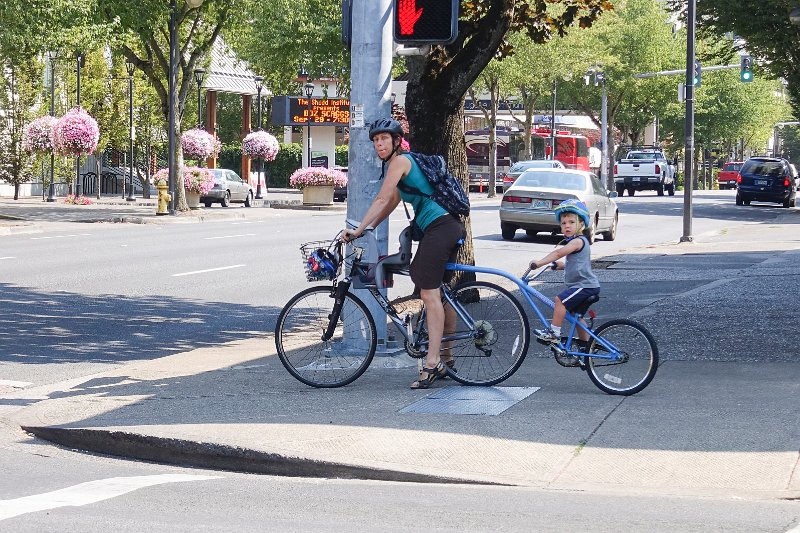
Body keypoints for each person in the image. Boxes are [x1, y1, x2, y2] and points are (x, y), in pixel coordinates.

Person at [341, 118, 466, 389]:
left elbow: (381, 199)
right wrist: (368, 227)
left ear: (397, 140)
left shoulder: (400, 162)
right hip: (447, 226)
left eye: (384, 138)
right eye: (375, 140)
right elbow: (391, 203)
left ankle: (431, 364)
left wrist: (358, 227)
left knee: (429, 293)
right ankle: (447, 359)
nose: (379, 144)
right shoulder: (402, 168)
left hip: (440, 227)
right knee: (441, 294)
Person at [529, 199, 600, 348]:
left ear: (581, 224)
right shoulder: (576, 242)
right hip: (585, 286)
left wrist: (539, 263)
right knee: (576, 316)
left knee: (559, 301)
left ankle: (553, 333)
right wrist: (560, 266)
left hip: (585, 286)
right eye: (563, 223)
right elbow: (576, 264)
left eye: (571, 222)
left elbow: (559, 252)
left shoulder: (578, 241)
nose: (567, 225)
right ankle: (585, 347)